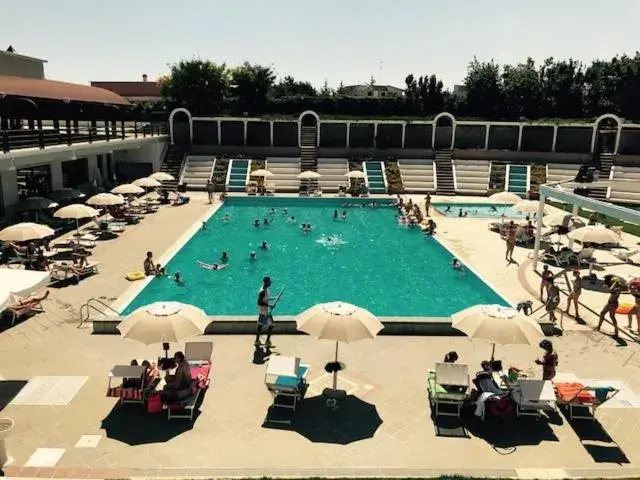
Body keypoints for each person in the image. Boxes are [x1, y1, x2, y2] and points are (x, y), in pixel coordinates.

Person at [255, 276, 275, 347]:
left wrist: (274, 298)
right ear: (267, 282)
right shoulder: (262, 291)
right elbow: (259, 302)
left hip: (265, 311)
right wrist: (270, 305)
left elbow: (265, 299)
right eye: (270, 281)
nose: (271, 282)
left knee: (260, 325)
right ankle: (267, 341)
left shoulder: (266, 289)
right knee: (271, 325)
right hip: (263, 312)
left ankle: (257, 341)